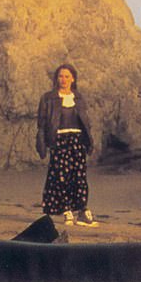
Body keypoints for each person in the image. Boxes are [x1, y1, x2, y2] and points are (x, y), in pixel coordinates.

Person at [36, 64, 98, 227]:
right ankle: (66, 210)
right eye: (60, 76)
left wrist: (89, 141)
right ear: (57, 78)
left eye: (66, 76)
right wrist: (42, 145)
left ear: (73, 79)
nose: (63, 80)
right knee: (61, 176)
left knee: (79, 176)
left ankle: (82, 210)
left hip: (77, 140)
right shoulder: (48, 98)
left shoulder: (78, 98)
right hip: (59, 140)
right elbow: (41, 124)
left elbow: (86, 122)